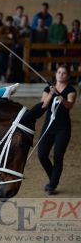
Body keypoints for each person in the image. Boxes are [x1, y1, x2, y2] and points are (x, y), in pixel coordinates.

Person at [38, 65, 77, 195]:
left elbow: (69, 106)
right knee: (42, 154)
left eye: (64, 73)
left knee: (58, 156)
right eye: (59, 72)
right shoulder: (48, 89)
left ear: (68, 76)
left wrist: (62, 98)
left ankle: (52, 185)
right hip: (48, 127)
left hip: (63, 128)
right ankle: (53, 178)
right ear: (55, 74)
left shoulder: (71, 90)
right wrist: (51, 93)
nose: (61, 75)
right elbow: (43, 105)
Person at [0, 16, 19, 83]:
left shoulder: (13, 28)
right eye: (8, 22)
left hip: (9, 49)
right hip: (1, 48)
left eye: (11, 22)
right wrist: (7, 36)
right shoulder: (2, 28)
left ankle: (6, 77)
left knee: (7, 63)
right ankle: (2, 76)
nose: (9, 23)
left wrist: (13, 36)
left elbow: (17, 36)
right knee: (1, 63)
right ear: (6, 22)